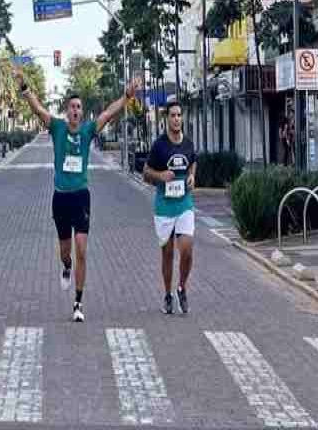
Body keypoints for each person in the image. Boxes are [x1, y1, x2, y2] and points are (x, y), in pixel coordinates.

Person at [15, 66, 137, 322]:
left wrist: (126, 96)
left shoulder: (87, 130)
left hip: (81, 196)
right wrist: (25, 88)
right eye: (72, 106)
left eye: (79, 107)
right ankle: (67, 266)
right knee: (66, 251)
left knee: (82, 249)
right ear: (66, 110)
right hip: (61, 198)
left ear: (81, 112)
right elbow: (38, 109)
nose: (75, 110)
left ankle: (78, 302)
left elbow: (108, 113)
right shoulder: (57, 127)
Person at [143, 101, 197, 315]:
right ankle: (168, 294)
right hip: (164, 206)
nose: (176, 119)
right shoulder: (159, 146)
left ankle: (182, 287)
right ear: (167, 119)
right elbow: (146, 172)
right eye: (172, 115)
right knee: (167, 254)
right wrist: (160, 176)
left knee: (187, 249)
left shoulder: (188, 144)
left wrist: (192, 176)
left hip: (184, 203)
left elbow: (193, 161)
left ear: (182, 118)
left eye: (179, 115)